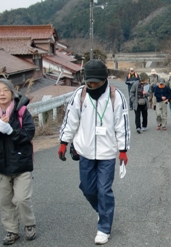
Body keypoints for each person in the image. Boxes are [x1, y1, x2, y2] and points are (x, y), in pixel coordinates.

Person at [58, 59, 130, 245]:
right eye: (89, 83)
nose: (92, 86)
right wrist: (63, 142)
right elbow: (70, 120)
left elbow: (122, 125)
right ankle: (103, 210)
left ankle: (104, 228)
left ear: (105, 80)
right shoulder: (80, 95)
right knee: (88, 189)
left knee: (104, 190)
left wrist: (123, 150)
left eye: (96, 83)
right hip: (85, 151)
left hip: (107, 153)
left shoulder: (116, 97)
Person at [0, 78, 37, 245]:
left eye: (5, 90)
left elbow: (28, 134)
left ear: (12, 92)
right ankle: (11, 231)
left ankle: (29, 224)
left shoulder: (21, 112)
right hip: (0, 165)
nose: (2, 93)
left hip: (22, 163)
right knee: (5, 201)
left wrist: (11, 131)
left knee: (21, 199)